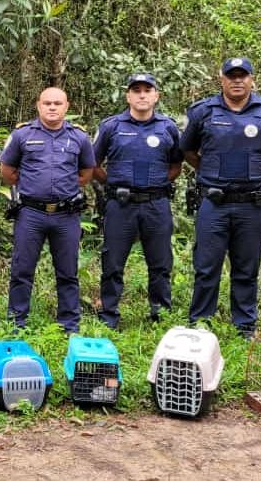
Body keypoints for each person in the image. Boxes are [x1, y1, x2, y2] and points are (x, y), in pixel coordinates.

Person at [180, 57, 261, 339]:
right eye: (232, 76)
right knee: (206, 266)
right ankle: (201, 322)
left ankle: (244, 326)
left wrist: (256, 171)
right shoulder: (203, 111)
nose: (237, 80)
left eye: (243, 75)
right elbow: (188, 150)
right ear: (222, 78)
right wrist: (209, 171)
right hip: (214, 202)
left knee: (246, 266)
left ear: (253, 79)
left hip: (252, 204)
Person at [0, 87, 96, 333]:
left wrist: (64, 188)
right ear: (38, 105)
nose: (52, 107)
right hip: (31, 214)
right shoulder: (22, 135)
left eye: (57, 103)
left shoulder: (79, 137)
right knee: (22, 270)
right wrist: (34, 186)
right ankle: (17, 323)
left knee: (67, 271)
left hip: (66, 215)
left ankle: (69, 324)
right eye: (47, 103)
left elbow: (86, 173)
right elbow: (7, 171)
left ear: (66, 106)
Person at [92, 74, 182, 329]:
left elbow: (177, 165)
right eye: (136, 90)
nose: (142, 95)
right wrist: (112, 183)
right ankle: (109, 316)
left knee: (161, 262)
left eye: (147, 90)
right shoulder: (111, 126)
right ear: (128, 96)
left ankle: (160, 315)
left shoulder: (168, 127)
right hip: (121, 205)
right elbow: (92, 164)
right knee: (112, 262)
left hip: (156, 204)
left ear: (156, 95)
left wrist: (159, 184)